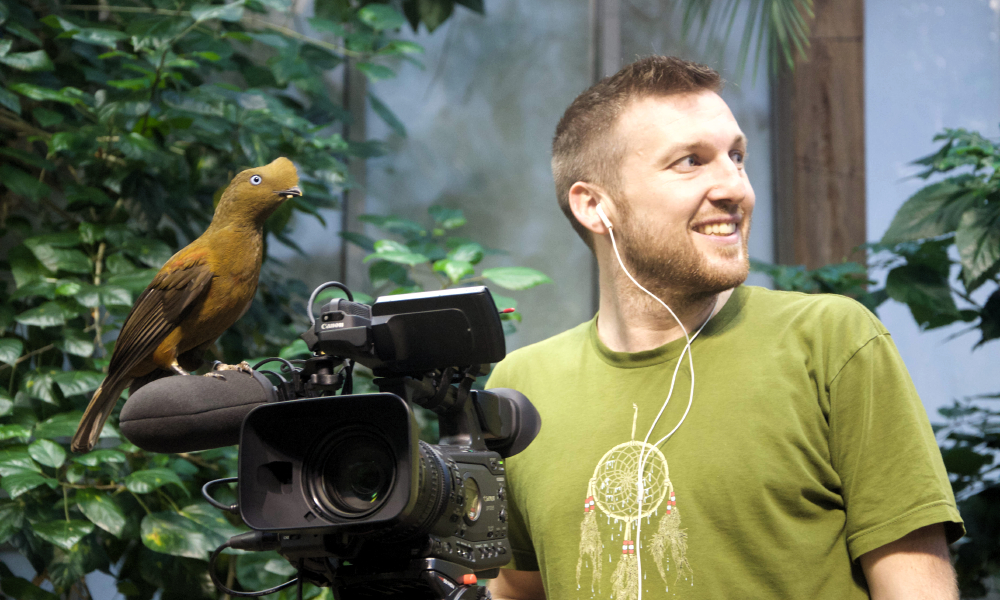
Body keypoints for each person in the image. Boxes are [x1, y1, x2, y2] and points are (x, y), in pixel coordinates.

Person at [485, 56, 964, 600]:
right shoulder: (523, 386)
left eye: (736, 157)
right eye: (691, 161)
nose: (735, 187)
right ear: (595, 205)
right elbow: (518, 590)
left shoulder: (832, 342)